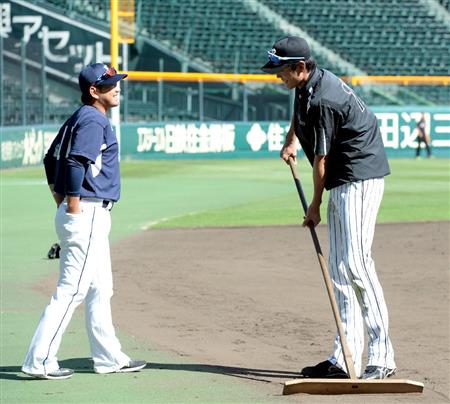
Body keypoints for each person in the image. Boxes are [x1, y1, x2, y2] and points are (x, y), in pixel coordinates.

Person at [261, 36, 396, 380]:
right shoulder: (306, 84)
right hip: (342, 176)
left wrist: (315, 205)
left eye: (281, 70)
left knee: (357, 265)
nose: (277, 75)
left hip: (359, 176)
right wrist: (291, 139)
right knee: (338, 268)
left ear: (300, 67)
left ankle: (382, 357)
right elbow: (299, 111)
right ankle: (345, 358)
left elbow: (320, 161)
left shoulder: (324, 100)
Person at [21, 63, 146, 380]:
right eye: (110, 84)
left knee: (100, 287)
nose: (117, 88)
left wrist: (60, 199)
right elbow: (75, 162)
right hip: (86, 212)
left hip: (86, 211)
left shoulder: (81, 116)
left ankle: (108, 357)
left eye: (117, 82)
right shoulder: (93, 119)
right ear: (94, 91)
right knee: (72, 289)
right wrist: (73, 205)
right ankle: (39, 360)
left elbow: (50, 158)